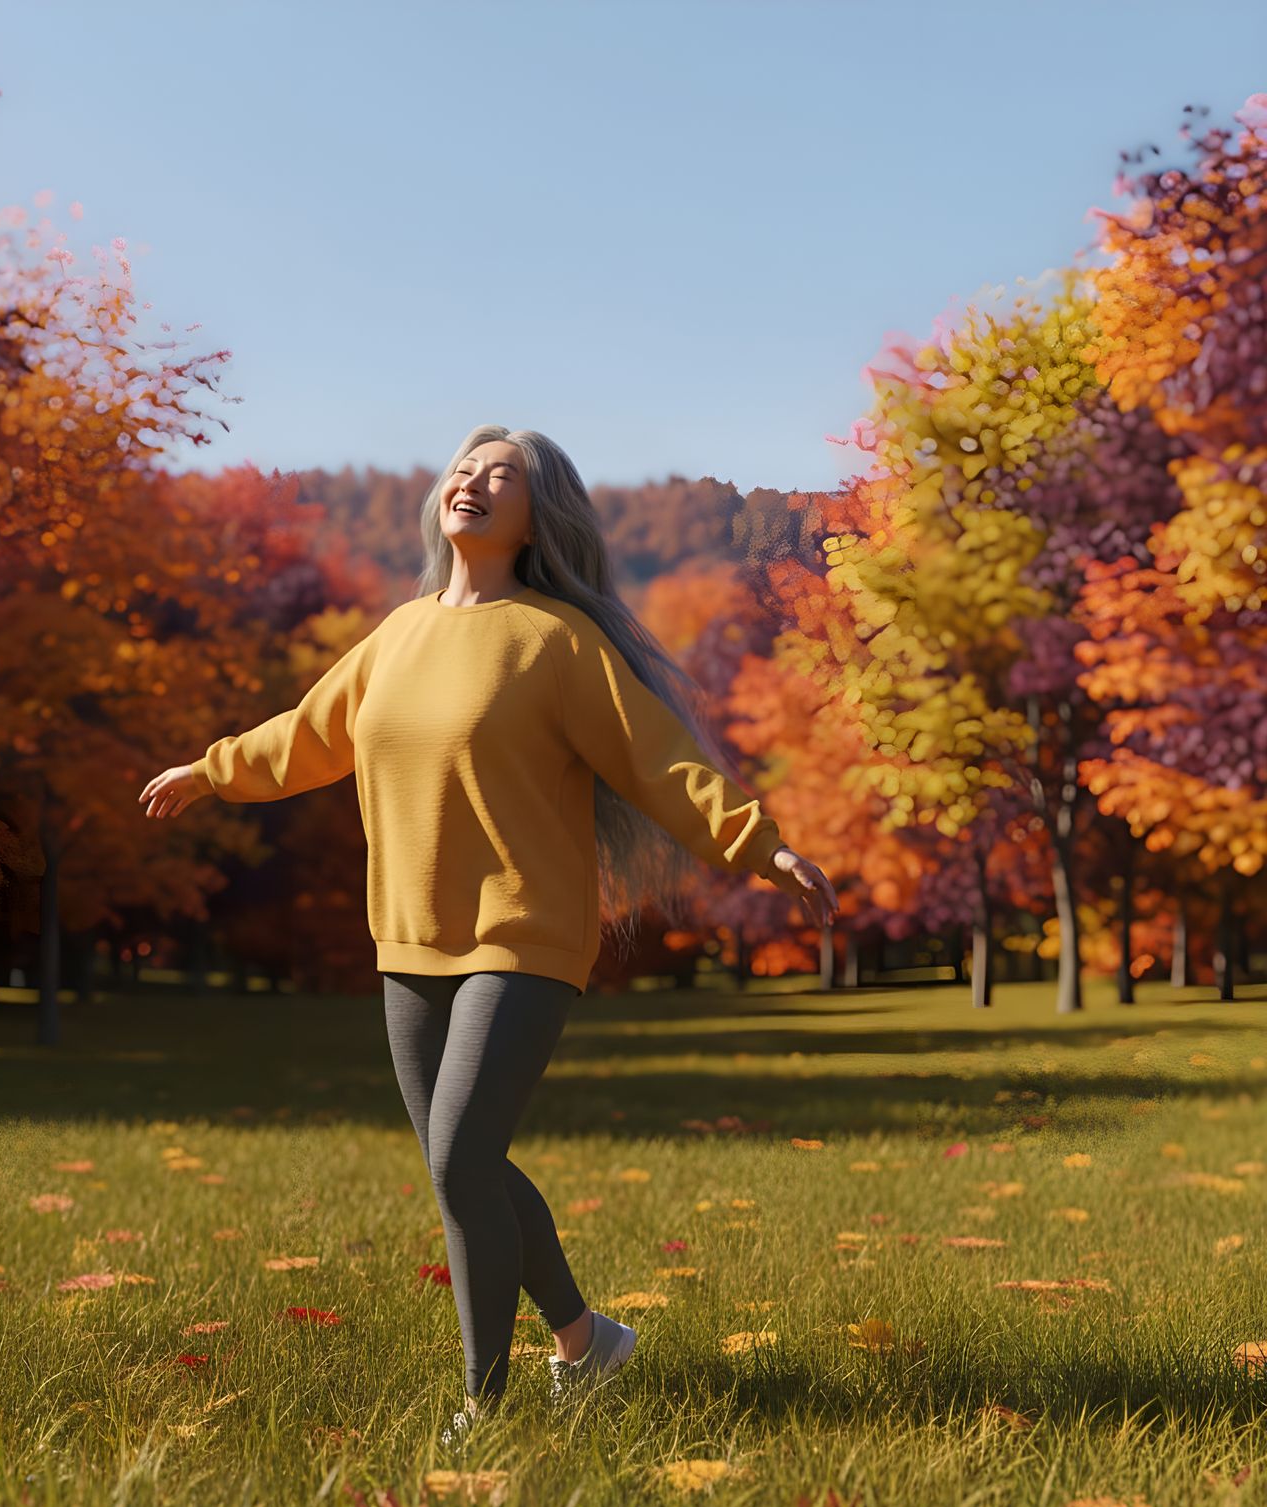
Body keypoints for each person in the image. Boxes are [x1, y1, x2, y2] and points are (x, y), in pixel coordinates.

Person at [139, 425, 839, 1450]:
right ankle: (585, 1340)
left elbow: (657, 763)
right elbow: (309, 732)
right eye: (462, 470)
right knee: (460, 1163)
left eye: (498, 475)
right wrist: (212, 768)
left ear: (533, 512)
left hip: (523, 930)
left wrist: (760, 844)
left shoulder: (556, 641)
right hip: (410, 936)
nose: (472, 482)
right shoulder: (397, 635)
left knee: (462, 1152)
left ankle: (485, 1403)